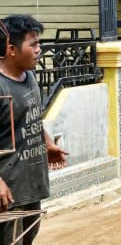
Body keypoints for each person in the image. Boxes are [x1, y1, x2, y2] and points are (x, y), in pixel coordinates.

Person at [0, 15, 69, 245]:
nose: (39, 50)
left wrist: (47, 142)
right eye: (33, 44)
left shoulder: (29, 76)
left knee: (28, 239)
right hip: (7, 192)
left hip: (31, 184)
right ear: (11, 49)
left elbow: (33, 118)